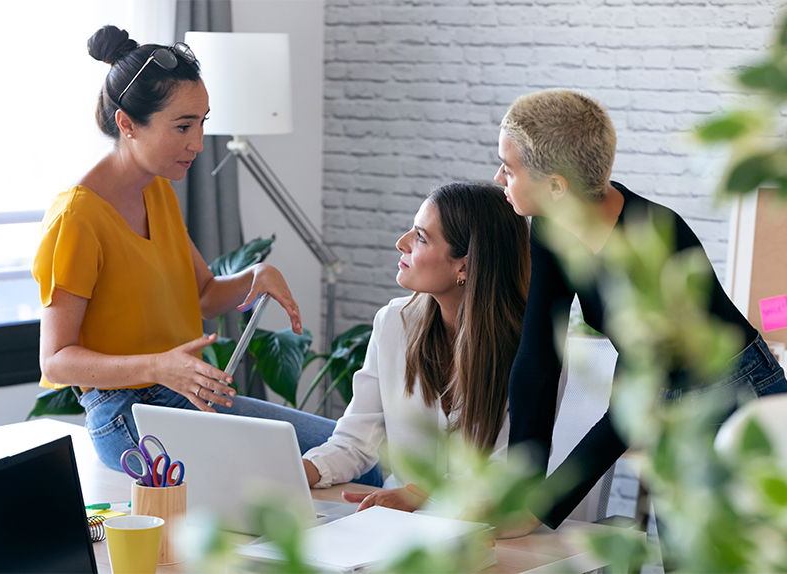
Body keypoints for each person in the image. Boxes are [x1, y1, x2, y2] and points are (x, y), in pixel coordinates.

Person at [32, 25, 378, 488]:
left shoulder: (157, 190)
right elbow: (55, 360)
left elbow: (201, 294)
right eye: (182, 126)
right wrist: (157, 366)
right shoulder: (77, 218)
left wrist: (256, 276)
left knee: (354, 458)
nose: (197, 142)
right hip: (126, 414)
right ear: (128, 124)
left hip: (184, 394)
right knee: (330, 470)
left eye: (202, 122)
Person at [493, 88, 787, 534]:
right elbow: (537, 358)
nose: (499, 178)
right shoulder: (550, 225)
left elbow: (634, 407)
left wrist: (541, 509)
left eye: (509, 168)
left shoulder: (655, 247)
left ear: (556, 186)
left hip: (738, 398)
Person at [301, 180, 531, 512]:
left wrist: (424, 496)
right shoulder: (393, 322)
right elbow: (355, 442)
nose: (402, 243)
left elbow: (510, 472)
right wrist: (299, 471)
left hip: (485, 530)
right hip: (395, 522)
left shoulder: (526, 349)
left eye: (421, 237)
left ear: (464, 266)